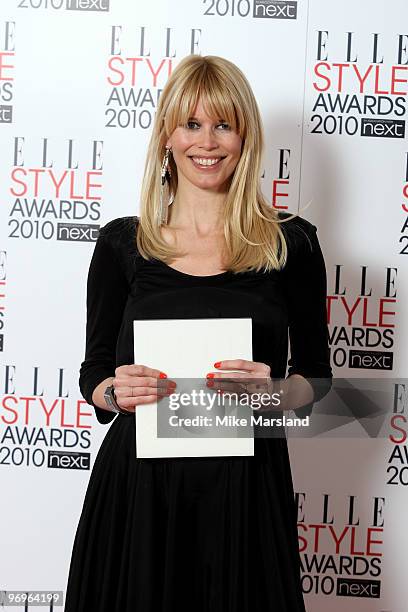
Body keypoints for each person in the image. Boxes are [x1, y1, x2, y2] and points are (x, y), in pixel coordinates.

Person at [65, 54, 332, 612]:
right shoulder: (122, 244)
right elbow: (94, 373)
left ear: (245, 136)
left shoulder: (293, 244)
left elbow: (319, 379)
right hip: (140, 492)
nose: (206, 142)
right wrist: (114, 392)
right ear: (167, 134)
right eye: (191, 123)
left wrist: (277, 393)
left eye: (223, 124)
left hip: (246, 487)